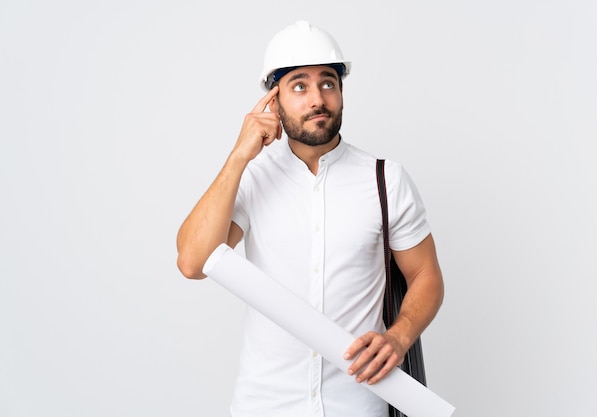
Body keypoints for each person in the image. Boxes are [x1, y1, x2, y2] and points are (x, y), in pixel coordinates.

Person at [176, 20, 444, 417]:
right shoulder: (251, 178)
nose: (317, 98)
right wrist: (238, 157)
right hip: (265, 405)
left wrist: (399, 336)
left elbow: (426, 275)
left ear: (341, 93)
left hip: (358, 405)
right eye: (299, 85)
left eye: (328, 83)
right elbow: (193, 263)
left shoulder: (385, 179)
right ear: (273, 100)